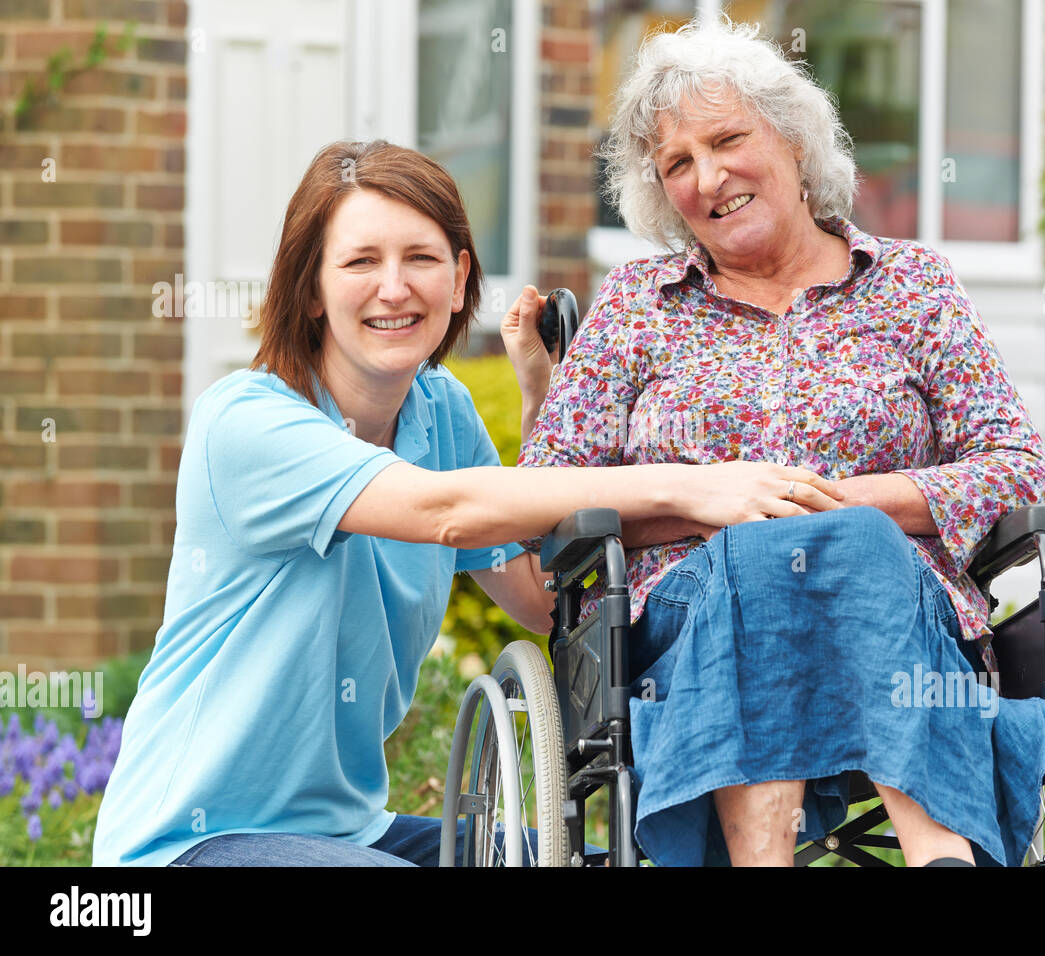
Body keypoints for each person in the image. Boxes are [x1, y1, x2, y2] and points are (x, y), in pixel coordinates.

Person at [91, 139, 841, 867]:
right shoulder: (248, 423)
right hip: (190, 843)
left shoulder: (438, 412)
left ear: (458, 281)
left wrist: (546, 404)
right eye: (359, 261)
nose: (395, 287)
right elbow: (442, 510)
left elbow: (544, 602)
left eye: (420, 259)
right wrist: (692, 483)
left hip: (349, 831)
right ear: (310, 290)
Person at [510, 18, 1045, 867]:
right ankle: (940, 852)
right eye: (677, 165)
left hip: (896, 616)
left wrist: (846, 506)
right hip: (682, 621)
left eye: (729, 139)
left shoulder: (912, 286)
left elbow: (1014, 467)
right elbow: (548, 507)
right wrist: (713, 510)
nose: (708, 178)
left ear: (793, 139)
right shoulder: (635, 305)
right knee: (761, 553)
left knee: (831, 537)